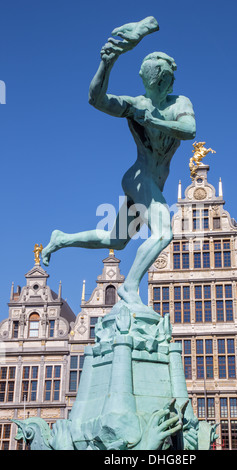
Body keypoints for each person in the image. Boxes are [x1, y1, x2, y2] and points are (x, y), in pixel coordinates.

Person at [42, 18, 196, 308]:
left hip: (151, 183)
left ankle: (62, 239)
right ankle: (129, 288)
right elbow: (97, 100)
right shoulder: (136, 105)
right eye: (169, 77)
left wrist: (155, 121)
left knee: (117, 240)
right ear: (161, 80)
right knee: (164, 232)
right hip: (139, 178)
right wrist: (108, 64)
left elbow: (190, 130)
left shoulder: (179, 103)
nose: (173, 81)